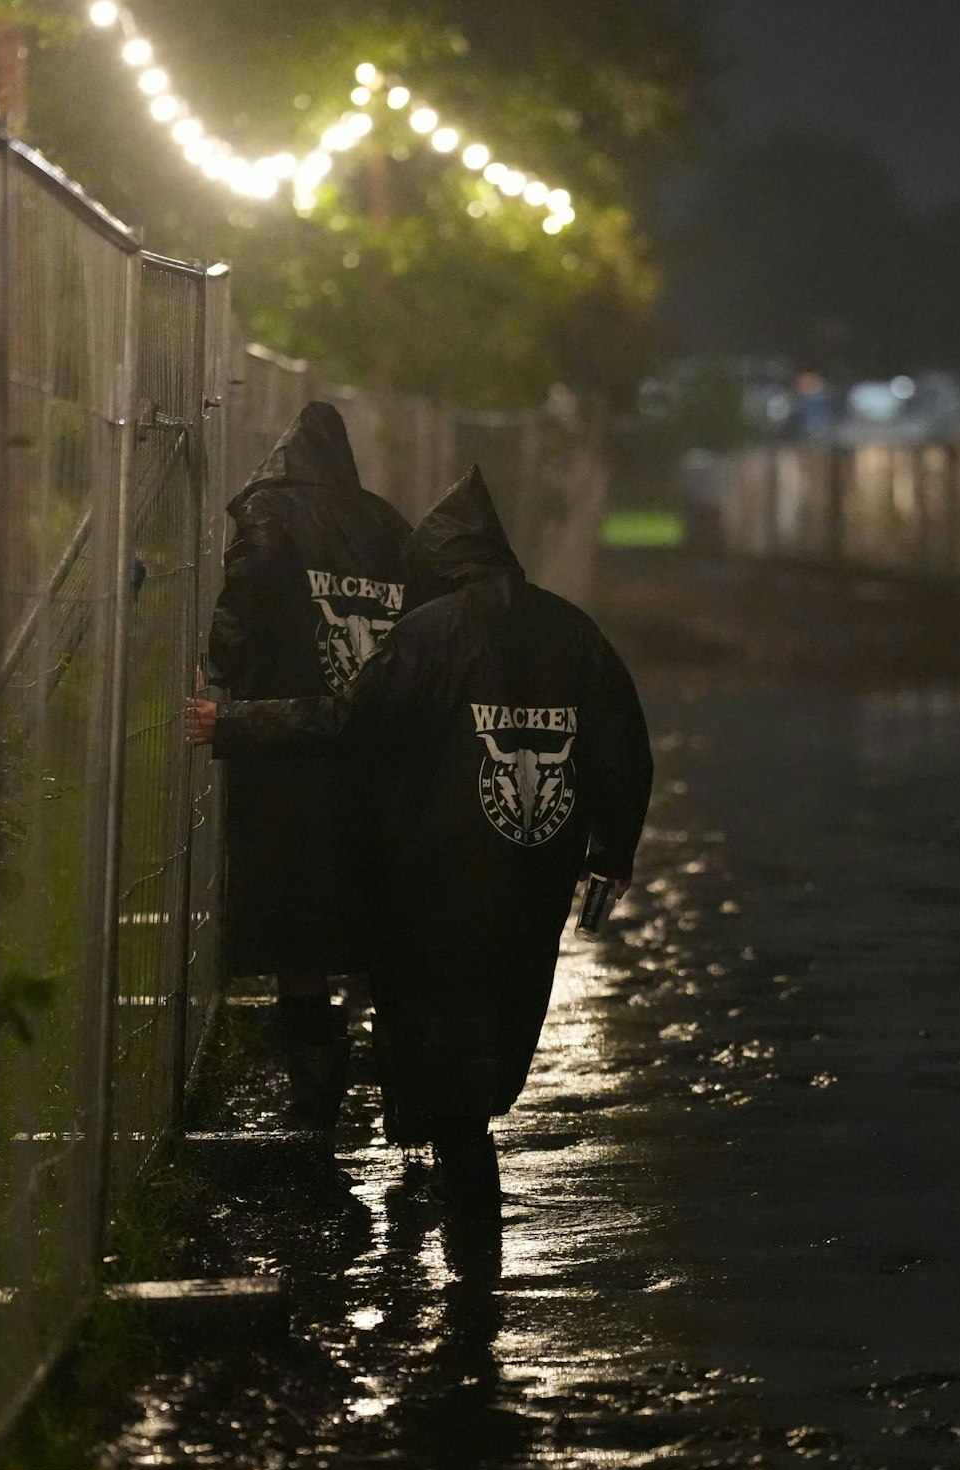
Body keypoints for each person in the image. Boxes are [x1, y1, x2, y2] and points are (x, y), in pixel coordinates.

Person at [187, 466, 654, 1210]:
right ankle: (470, 1132)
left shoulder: (427, 636)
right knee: (510, 999)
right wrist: (610, 856)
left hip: (434, 867)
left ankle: (457, 1149)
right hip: (537, 869)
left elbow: (348, 721)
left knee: (432, 1001)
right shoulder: (575, 632)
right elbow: (624, 750)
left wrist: (237, 722)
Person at [205, 400, 410, 1128]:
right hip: (378, 755)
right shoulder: (387, 526)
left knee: (299, 926)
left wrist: (227, 667)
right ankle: (408, 1097)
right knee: (381, 913)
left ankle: (315, 1101)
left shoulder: (269, 515)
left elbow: (240, 617)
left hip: (286, 751)